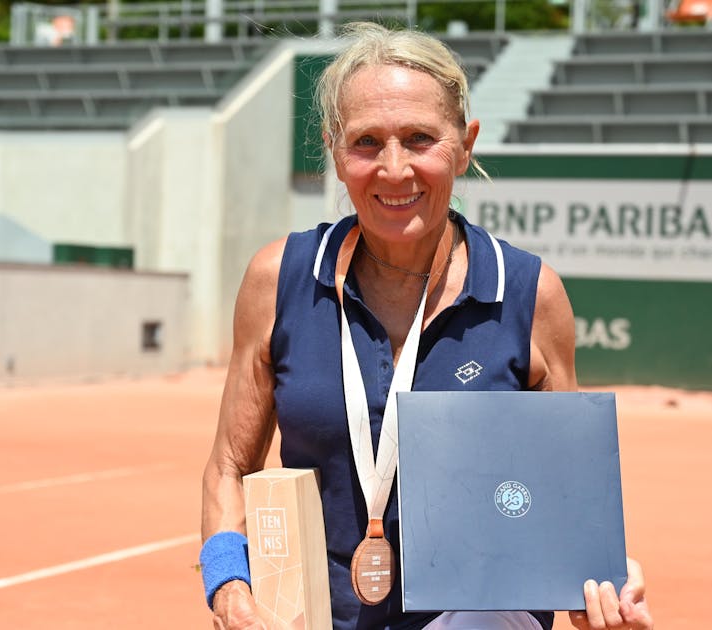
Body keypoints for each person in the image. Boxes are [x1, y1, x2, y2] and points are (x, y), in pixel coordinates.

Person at [200, 21, 654, 630]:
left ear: (464, 145)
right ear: (336, 151)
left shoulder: (528, 294)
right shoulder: (278, 279)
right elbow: (231, 465)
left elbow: (561, 500)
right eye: (366, 142)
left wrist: (597, 580)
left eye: (420, 139)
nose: (393, 169)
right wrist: (227, 586)